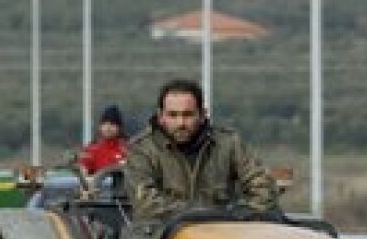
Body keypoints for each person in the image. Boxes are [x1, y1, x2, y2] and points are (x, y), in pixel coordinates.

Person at [124, 79, 278, 223]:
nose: (181, 123)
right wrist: (201, 216)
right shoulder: (142, 150)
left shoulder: (228, 143)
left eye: (188, 115)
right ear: (160, 116)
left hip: (222, 236)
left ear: (202, 114)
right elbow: (146, 204)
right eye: (173, 115)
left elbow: (263, 187)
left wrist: (239, 216)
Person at [79, 105, 129, 174]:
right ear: (100, 126)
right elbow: (83, 173)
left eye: (112, 124)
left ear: (119, 128)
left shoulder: (127, 149)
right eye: (105, 123)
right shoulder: (90, 150)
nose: (108, 127)